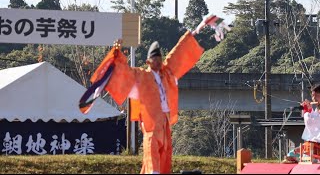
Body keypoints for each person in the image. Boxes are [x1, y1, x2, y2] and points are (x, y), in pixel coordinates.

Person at [82, 15, 229, 174]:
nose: (158, 61)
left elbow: (179, 50)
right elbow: (124, 72)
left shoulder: (167, 73)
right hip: (151, 121)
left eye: (159, 58)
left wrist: (199, 28)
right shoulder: (141, 76)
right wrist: (117, 54)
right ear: (148, 62)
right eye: (154, 59)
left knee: (165, 153)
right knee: (151, 150)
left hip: (165, 120)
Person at [283, 83, 320, 163]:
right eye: (312, 96)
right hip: (313, 144)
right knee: (290, 155)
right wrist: (309, 110)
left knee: (307, 157)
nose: (313, 99)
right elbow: (313, 120)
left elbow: (312, 123)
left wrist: (307, 110)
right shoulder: (317, 110)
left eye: (316, 96)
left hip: (317, 145)